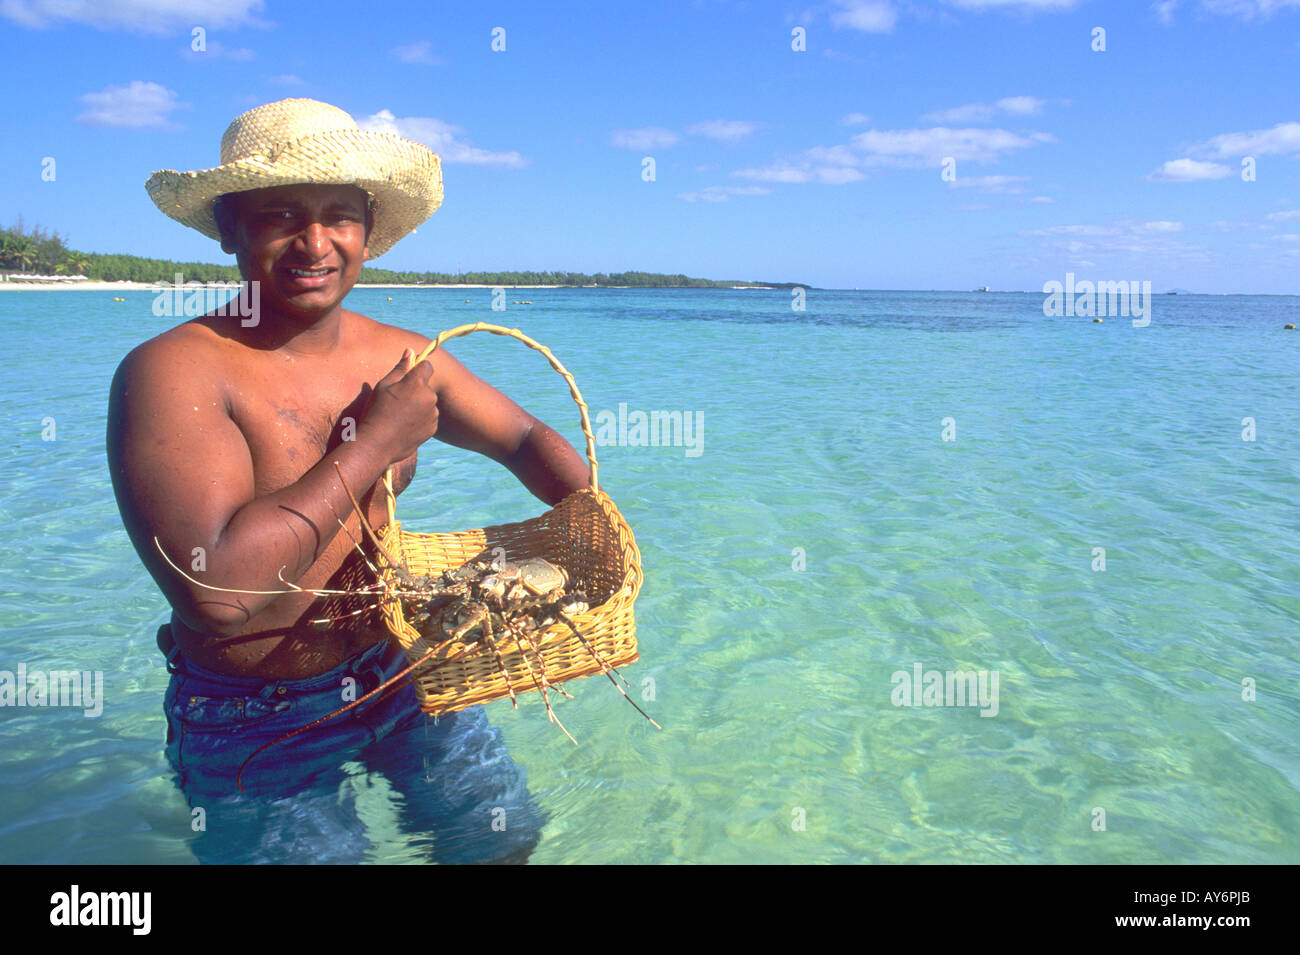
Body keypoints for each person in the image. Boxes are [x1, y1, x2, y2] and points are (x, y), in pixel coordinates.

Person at [108, 98, 588, 863]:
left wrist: (591, 519)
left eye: (340, 215)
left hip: (396, 668)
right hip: (254, 714)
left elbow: (527, 438)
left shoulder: (396, 356)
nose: (315, 242)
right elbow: (220, 596)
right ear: (230, 227)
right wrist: (373, 446)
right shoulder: (173, 372)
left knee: (503, 842)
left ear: (368, 229)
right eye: (281, 215)